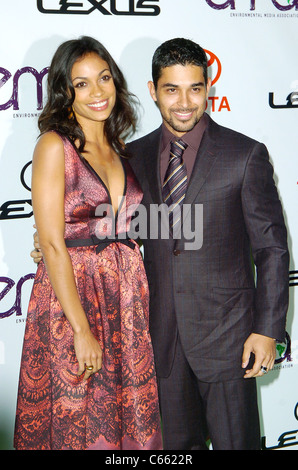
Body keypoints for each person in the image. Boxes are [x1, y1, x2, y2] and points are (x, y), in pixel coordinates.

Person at [31, 37, 289, 450]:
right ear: (153, 91)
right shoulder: (131, 156)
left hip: (228, 340)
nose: (184, 102)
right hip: (155, 340)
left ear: (208, 88)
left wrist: (267, 330)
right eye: (171, 89)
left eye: (195, 88)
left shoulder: (245, 155)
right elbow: (99, 220)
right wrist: (49, 243)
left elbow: (272, 250)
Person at [14, 36, 162, 450]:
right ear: (65, 92)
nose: (98, 92)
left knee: (125, 412)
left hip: (125, 295)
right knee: (78, 417)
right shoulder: (52, 146)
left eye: (104, 78)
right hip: (73, 299)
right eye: (81, 84)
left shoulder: (120, 148)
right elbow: (53, 243)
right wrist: (80, 329)